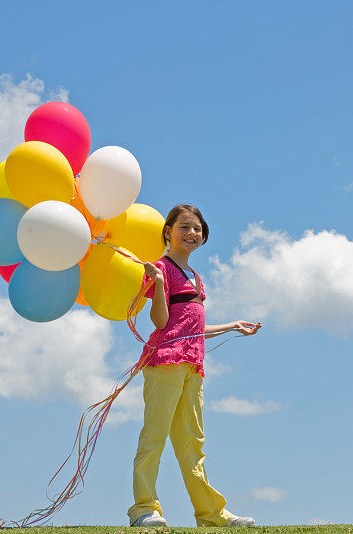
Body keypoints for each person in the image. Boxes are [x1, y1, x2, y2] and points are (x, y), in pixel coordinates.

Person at [127, 204, 262, 528]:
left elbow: (193, 325)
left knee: (192, 445)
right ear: (168, 232)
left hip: (192, 366)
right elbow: (160, 321)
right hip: (165, 363)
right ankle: (144, 510)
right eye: (184, 227)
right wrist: (158, 282)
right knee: (154, 438)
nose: (191, 233)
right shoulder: (160, 267)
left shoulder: (197, 278)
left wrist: (231, 325)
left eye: (197, 229)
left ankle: (211, 515)